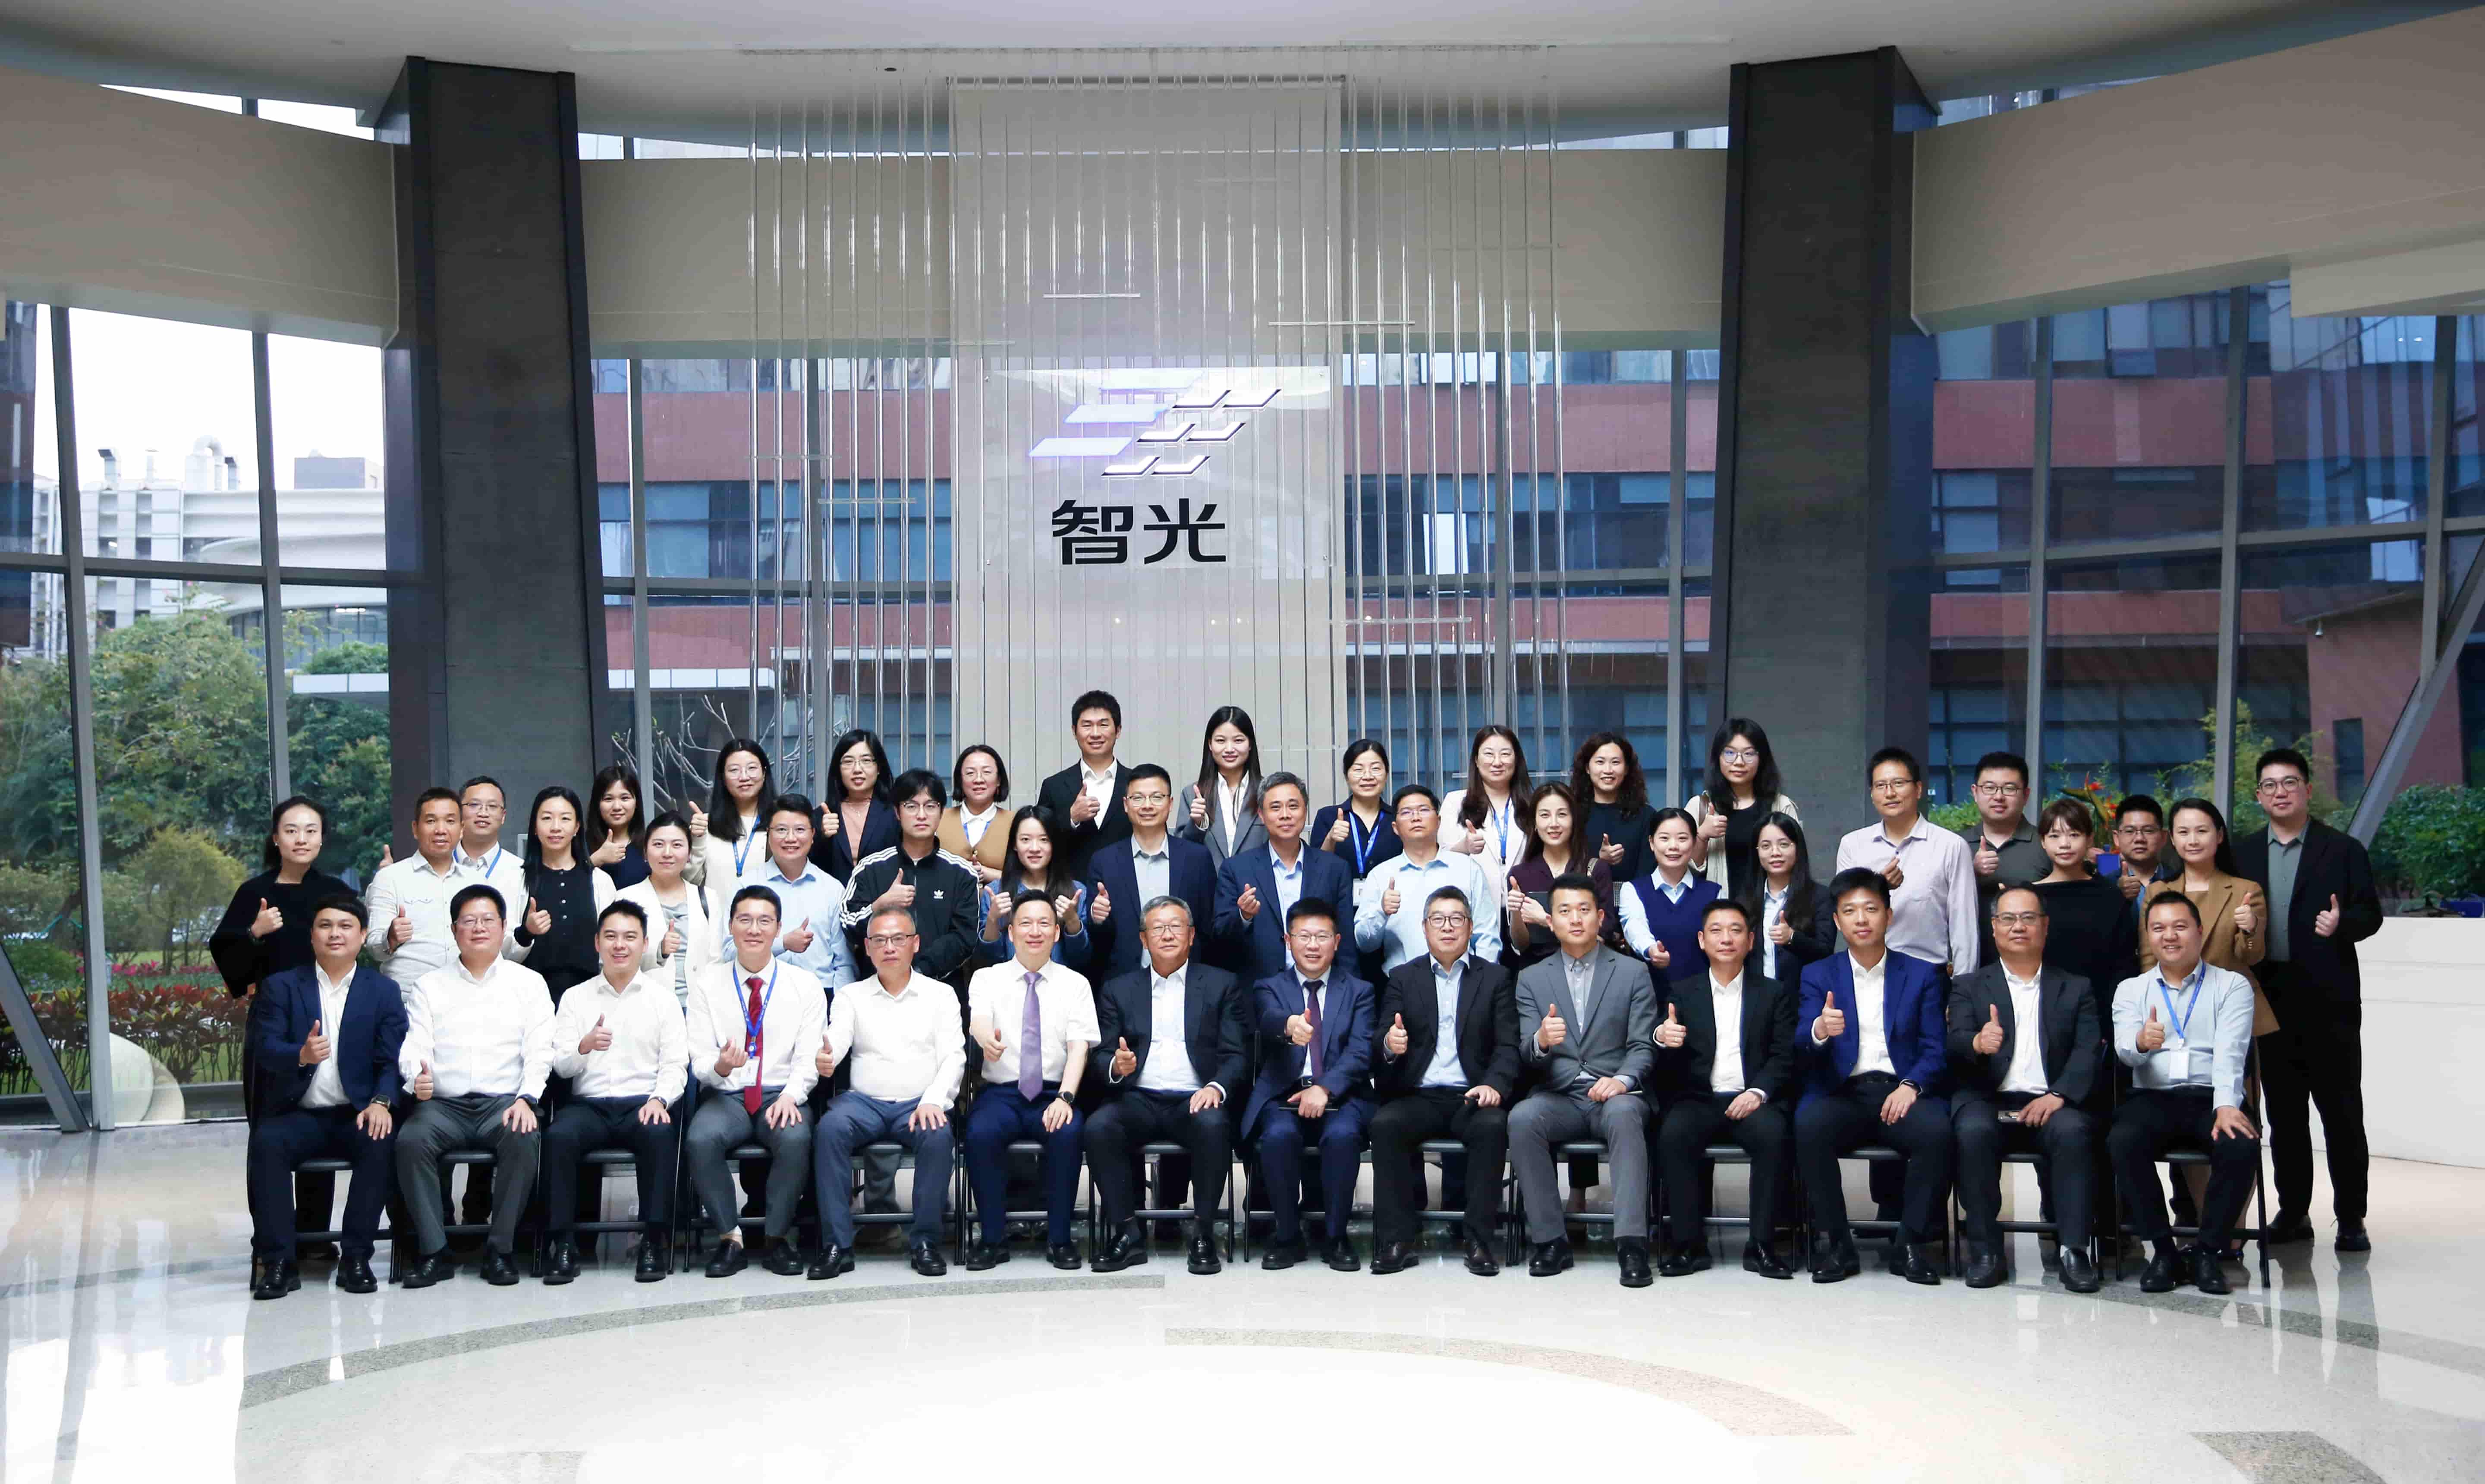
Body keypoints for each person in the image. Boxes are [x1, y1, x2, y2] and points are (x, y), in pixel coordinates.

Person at [2232, 747, 2382, 1252]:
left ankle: (2352, 1217)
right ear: (2259, 795)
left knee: (2342, 1114)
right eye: (2270, 784)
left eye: (2290, 782)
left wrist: (2343, 924)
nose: (2280, 792)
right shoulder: (2243, 853)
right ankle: (2294, 1212)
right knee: (2286, 1116)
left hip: (2329, 1002)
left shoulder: (2343, 849)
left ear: (2307, 790)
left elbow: (2371, 914)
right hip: (2270, 1002)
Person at [1792, 868, 1953, 1285]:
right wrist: (1820, 1030)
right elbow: (1802, 1041)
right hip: (1842, 1092)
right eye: (1850, 911)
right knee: (1808, 1126)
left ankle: (1911, 1245)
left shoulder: (1922, 974)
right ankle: (1837, 1245)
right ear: (1837, 921)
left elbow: (1935, 1048)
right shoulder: (1818, 974)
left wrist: (1911, 1086)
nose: (1861, 919)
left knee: (1938, 1133)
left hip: (1901, 1090)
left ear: (1889, 915)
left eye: (1871, 909)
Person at [243, 894, 404, 1299]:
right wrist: (300, 1055)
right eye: (326, 926)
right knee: (266, 1143)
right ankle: (279, 1262)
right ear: (312, 936)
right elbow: (265, 1048)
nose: (336, 934)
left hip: (356, 1112)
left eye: (346, 926)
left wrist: (382, 1101)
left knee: (381, 1140)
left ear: (363, 936)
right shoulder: (281, 987)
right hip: (298, 1113)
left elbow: (392, 1060)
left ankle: (356, 1259)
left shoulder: (383, 991)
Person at [394, 884, 555, 1289]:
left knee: (524, 1135)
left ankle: (500, 1250)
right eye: (469, 921)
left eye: (488, 920)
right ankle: (435, 1251)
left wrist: (527, 1098)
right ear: (454, 930)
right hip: (443, 1106)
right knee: (411, 1141)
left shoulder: (529, 983)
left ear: (504, 927)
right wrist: (417, 1077)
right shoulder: (430, 985)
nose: (479, 928)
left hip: (504, 1103)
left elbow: (540, 1050)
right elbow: (415, 1045)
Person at [1946, 886, 2102, 1293]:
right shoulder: (1969, 986)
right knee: (1973, 1132)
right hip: (1988, 1098)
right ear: (1994, 927)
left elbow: (2089, 1050)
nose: (2019, 927)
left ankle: (2074, 1250)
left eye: (2029, 918)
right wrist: (1977, 1043)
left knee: (2073, 1132)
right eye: (2009, 919)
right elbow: (1954, 1043)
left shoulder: (2076, 987)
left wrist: (2059, 1095)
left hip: (2052, 1101)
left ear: (2045, 927)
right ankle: (1985, 1251)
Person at [213, 795, 351, 1243]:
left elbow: (355, 948)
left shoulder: (335, 892)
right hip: (272, 1023)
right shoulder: (254, 892)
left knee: (321, 1117)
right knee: (268, 1132)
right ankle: (272, 1240)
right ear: (276, 838)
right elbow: (225, 952)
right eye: (291, 830)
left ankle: (314, 1238)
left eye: (311, 830)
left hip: (325, 1019)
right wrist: (255, 933)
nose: (301, 839)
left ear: (322, 838)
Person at [1509, 874, 1658, 1287]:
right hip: (1560, 1095)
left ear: (1600, 917)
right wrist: (1541, 1041)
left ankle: (1631, 1244)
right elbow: (1526, 1052)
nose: (1575, 919)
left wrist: (1623, 1080)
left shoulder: (1632, 972)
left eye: (1584, 910)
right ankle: (1550, 1241)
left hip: (1614, 1095)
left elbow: (1643, 1045)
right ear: (1551, 922)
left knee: (1626, 1115)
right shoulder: (1531, 978)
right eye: (1564, 911)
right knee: (1522, 1118)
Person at [1085, 896, 1246, 1275]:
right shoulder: (1119, 989)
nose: (1168, 935)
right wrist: (1117, 1066)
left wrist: (1216, 1087)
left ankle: (1203, 1234)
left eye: (1176, 927)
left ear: (1191, 936)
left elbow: (1237, 1054)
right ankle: (1128, 1234)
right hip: (1138, 1098)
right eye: (1158, 928)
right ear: (1144, 939)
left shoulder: (1221, 985)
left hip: (1195, 1098)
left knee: (1214, 1125)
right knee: (1099, 1127)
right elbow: (1100, 1055)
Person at [2111, 894, 2263, 1295]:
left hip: (2212, 1096)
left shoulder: (2231, 985)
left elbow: (2232, 1052)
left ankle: (2209, 1252)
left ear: (2199, 932)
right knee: (2122, 1141)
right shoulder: (2131, 989)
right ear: (2149, 936)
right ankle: (2164, 1253)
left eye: (2180, 927)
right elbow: (2124, 1051)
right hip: (2153, 1097)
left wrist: (2227, 1105)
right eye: (2159, 928)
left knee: (2241, 1143)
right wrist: (2141, 1042)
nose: (2170, 936)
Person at [1369, 886, 1516, 1278]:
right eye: (1438, 919)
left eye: (1456, 919)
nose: (1447, 927)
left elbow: (1508, 1045)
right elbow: (1380, 1038)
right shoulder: (1403, 977)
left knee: (1492, 1127)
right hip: (1419, 1094)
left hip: (1472, 1095)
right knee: (1385, 1125)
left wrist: (1494, 1085)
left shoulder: (1496, 978)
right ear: (1425, 927)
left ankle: (1479, 1241)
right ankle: (1397, 1240)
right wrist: (1389, 1045)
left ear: (1470, 926)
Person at [811, 905, 963, 1280]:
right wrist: (827, 1056)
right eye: (879, 940)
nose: (889, 947)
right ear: (867, 947)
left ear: (916, 943)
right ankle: (837, 1246)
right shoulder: (851, 996)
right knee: (829, 1130)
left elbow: (954, 1056)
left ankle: (925, 1243)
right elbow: (837, 1038)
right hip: (863, 1103)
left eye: (898, 939)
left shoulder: (941, 995)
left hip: (919, 1102)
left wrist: (934, 1100)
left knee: (938, 1135)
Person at [684, 885, 826, 1278]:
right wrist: (720, 1068)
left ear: (778, 928)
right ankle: (730, 1239)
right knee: (700, 1139)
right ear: (730, 926)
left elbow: (809, 1057)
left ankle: (776, 1239)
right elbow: (699, 1058)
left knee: (795, 1138)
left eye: (765, 921)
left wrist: (793, 1096)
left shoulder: (804, 985)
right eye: (744, 920)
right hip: (727, 1095)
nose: (754, 929)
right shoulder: (707, 984)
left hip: (780, 1094)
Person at [541, 901, 686, 1285]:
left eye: (629, 937)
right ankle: (563, 1244)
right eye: (611, 937)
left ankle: (654, 1241)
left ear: (644, 944)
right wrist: (584, 1047)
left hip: (642, 1102)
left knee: (660, 1132)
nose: (620, 945)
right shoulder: (575, 998)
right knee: (558, 1137)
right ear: (597, 943)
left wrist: (660, 1099)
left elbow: (676, 1064)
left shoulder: (663, 999)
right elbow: (561, 1066)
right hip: (589, 1105)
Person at [1651, 899, 1798, 1280]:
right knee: (1674, 1134)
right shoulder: (1682, 992)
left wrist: (1759, 1093)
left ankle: (1762, 1246)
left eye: (1736, 930)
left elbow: (1784, 1056)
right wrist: (1662, 1037)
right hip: (1699, 1099)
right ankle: (1688, 1245)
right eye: (1716, 931)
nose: (1727, 939)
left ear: (1751, 941)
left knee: (1774, 1135)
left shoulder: (1774, 993)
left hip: (1753, 1099)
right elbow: (1663, 1053)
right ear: (1702, 941)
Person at [963, 896, 1099, 1270]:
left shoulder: (1076, 984)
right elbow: (979, 1020)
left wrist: (1066, 1098)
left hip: (1054, 1092)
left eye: (1044, 924)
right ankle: (992, 1240)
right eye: (1025, 923)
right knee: (980, 1133)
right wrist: (985, 1038)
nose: (1034, 931)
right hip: (1001, 1094)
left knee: (1068, 1132)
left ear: (1056, 933)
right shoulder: (987, 978)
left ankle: (1060, 1240)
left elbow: (1079, 1048)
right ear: (1010, 932)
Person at [1239, 899, 1374, 1272]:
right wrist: (1289, 1027)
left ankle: (1337, 1237)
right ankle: (1287, 1237)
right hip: (1284, 1094)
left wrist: (1325, 1088)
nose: (1313, 945)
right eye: (1304, 936)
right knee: (1279, 1136)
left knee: (1342, 1136)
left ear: (1337, 941)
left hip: (1341, 1096)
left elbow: (1361, 1051)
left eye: (1322, 936)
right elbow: (1268, 1019)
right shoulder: (1268, 987)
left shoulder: (1360, 991)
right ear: (1288, 940)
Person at [1835, 746, 1981, 977]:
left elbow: (1965, 928)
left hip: (1929, 975)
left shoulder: (1950, 846)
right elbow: (1845, 913)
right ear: (1872, 794)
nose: (1890, 793)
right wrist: (1879, 887)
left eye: (1899, 783)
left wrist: (1963, 990)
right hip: (1867, 975)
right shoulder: (1852, 845)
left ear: (1919, 789)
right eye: (1881, 786)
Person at [839, 770, 984, 982]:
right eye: (911, 806)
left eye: (930, 806)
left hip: (939, 988)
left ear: (941, 813)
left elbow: (964, 938)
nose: (921, 815)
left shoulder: (961, 872)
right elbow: (848, 925)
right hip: (877, 988)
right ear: (897, 812)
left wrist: (921, 972)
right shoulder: (870, 867)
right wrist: (880, 905)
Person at [1216, 772, 1356, 986]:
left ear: (1305, 811)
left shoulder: (1335, 869)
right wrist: (1244, 916)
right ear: (1261, 815)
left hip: (1322, 988)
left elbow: (1345, 942)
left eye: (1293, 806)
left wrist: (1350, 993)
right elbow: (1220, 936)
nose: (1285, 815)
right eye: (1275, 808)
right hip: (1258, 990)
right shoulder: (1236, 868)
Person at [1085, 764, 1219, 979]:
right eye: (1138, 798)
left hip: (1189, 981)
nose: (1147, 806)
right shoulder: (1104, 861)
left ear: (1170, 803)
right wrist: (1097, 917)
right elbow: (1098, 940)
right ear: (1126, 805)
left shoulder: (1197, 859)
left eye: (1157, 797)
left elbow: (1209, 928)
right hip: (1125, 983)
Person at [1356, 784, 1503, 975]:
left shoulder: (1467, 869)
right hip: (1402, 984)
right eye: (1406, 812)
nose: (1416, 818)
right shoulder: (1381, 875)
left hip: (1465, 980)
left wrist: (1482, 980)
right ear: (1395, 828)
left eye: (1424, 810)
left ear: (1439, 821)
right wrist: (1381, 911)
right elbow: (1364, 943)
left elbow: (1487, 935)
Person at [2026, 796, 2138, 1017]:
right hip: (2038, 1010)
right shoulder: (2029, 897)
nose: (2064, 844)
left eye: (2074, 835)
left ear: (2089, 839)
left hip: (2099, 1010)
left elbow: (2123, 966)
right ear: (2043, 841)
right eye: (2055, 836)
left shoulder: (2110, 896)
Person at [514, 785, 619, 1002]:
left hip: (591, 998)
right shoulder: (518, 880)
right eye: (547, 819)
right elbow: (501, 951)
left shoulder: (599, 880)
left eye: (565, 819)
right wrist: (527, 932)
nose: (556, 827)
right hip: (531, 999)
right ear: (535, 827)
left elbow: (613, 944)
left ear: (577, 827)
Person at [364, 788, 475, 984]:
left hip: (466, 993)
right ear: (415, 829)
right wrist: (390, 938)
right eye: (431, 821)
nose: (441, 830)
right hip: (408, 996)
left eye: (450, 821)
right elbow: (374, 949)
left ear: (462, 829)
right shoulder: (389, 878)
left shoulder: (476, 881)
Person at [1502, 781, 1614, 974]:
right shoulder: (1519, 874)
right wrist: (1516, 913)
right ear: (1534, 823)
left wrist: (1546, 920)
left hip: (1589, 972)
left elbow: (1601, 939)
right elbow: (1521, 945)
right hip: (1537, 974)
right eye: (1545, 815)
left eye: (1562, 814)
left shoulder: (1596, 870)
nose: (1554, 824)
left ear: (1574, 820)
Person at [1686, 720, 1800, 898]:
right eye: (1730, 753)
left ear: (1762, 758)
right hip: (1719, 909)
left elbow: (1798, 865)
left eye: (1749, 754)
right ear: (1718, 757)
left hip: (1771, 909)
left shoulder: (1781, 806)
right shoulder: (1701, 806)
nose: (1739, 762)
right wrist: (1702, 836)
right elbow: (1684, 869)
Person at [752, 795, 856, 989]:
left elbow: (844, 963)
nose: (791, 838)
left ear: (813, 833)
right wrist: (783, 944)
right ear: (768, 833)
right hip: (762, 992)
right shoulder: (748, 887)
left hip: (822, 992)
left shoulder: (832, 889)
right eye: (781, 830)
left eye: (800, 830)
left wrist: (841, 1002)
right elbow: (731, 952)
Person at [974, 805, 1095, 971]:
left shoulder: (1076, 892)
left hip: (1061, 986)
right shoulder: (995, 893)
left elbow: (1082, 960)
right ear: (1015, 844)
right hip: (1009, 986)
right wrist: (993, 920)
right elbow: (987, 963)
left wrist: (1072, 921)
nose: (1035, 848)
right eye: (1025, 840)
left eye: (1044, 840)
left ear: (1054, 844)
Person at [1036, 689, 1139, 880]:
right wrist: (1071, 818)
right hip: (1070, 890)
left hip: (1127, 885)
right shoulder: (1054, 786)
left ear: (1118, 731)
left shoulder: (1137, 783)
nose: (1095, 734)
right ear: (1074, 731)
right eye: (1087, 726)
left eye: (1103, 725)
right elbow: (1038, 842)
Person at [617, 812, 715, 1006]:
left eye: (677, 845)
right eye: (658, 844)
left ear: (689, 853)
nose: (667, 853)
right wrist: (659, 952)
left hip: (698, 1009)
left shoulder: (708, 899)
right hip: (646, 1007)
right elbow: (614, 961)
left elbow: (716, 962)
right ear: (645, 852)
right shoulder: (625, 899)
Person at [1962, 751, 2047, 961]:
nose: (1998, 797)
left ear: (2026, 795)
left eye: (2009, 789)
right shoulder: (1956, 845)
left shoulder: (2046, 844)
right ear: (1975, 792)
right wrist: (1970, 871)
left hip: (2032, 962)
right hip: (1969, 963)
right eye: (1989, 788)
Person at [1618, 808, 1719, 979]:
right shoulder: (1633, 890)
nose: (1673, 846)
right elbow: (1635, 927)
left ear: (1695, 843)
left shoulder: (1715, 893)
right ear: (1652, 843)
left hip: (1702, 990)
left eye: (1682, 839)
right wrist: (1651, 949)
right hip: (1648, 990)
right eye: (1665, 838)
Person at [688, 738, 777, 928]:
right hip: (714, 929)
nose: (744, 777)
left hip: (763, 930)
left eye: (752, 768)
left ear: (764, 773)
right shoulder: (706, 825)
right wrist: (697, 839)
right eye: (734, 770)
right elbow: (690, 882)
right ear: (723, 778)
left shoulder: (780, 824)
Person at [1743, 813, 1837, 986]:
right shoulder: (1744, 901)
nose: (1775, 853)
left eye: (1784, 845)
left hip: (1803, 995)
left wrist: (1793, 938)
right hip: (1756, 997)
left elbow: (1826, 951)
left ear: (1797, 848)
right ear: (1757, 852)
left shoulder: (1820, 897)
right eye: (1766, 846)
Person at [1439, 724, 1529, 895]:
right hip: (1474, 903)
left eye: (1505, 754)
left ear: (1517, 759)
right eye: (1489, 754)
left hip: (1523, 903)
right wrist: (1465, 847)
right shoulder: (1455, 802)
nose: (1497, 762)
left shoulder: (1532, 805)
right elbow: (1440, 861)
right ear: (1476, 760)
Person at [1179, 705, 1267, 868]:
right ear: (1210, 744)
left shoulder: (1269, 792)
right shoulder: (1192, 794)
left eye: (1238, 740)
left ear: (1250, 744)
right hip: (1208, 884)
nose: (1229, 749)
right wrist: (1197, 824)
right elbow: (1181, 852)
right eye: (1221, 741)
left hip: (1257, 882)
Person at [1309, 739, 1403, 883]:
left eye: (1376, 769)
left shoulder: (1398, 818)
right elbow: (1315, 871)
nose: (1368, 776)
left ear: (1386, 774)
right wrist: (1331, 839)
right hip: (1338, 898)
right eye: (1359, 770)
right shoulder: (1327, 817)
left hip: (1390, 897)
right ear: (1347, 776)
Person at [1573, 732, 1659, 886]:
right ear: (1587, 768)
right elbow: (1565, 870)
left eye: (1616, 762)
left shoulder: (1646, 816)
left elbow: (1647, 875)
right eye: (1600, 762)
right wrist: (1599, 863)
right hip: (1583, 898)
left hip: (1634, 899)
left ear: (1626, 769)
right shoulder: (1573, 814)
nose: (1608, 770)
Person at [452, 777, 531, 943]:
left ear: (503, 816)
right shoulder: (440, 865)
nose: (483, 813)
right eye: (474, 805)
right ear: (459, 811)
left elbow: (522, 941)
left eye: (493, 806)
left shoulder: (521, 871)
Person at [817, 728, 900, 883]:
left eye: (866, 761)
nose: (857, 770)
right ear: (838, 769)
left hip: (885, 898)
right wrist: (821, 838)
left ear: (879, 768)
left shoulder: (896, 814)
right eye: (848, 762)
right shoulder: (822, 816)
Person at [937, 743, 1013, 883]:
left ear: (999, 780)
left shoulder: (1016, 822)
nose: (979, 780)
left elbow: (1029, 879)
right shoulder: (938, 818)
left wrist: (989, 874)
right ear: (960, 780)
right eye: (970, 773)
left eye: (987, 772)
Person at [2111, 794, 2181, 940]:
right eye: (2130, 831)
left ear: (2163, 837)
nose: (2139, 839)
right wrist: (2116, 897)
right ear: (2117, 838)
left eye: (2148, 830)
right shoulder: (2104, 886)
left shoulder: (2181, 881)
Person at [586, 763, 650, 890]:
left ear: (637, 802)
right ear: (597, 804)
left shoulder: (649, 844)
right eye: (608, 799)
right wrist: (596, 860)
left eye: (625, 798)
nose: (617, 807)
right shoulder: (579, 844)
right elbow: (567, 887)